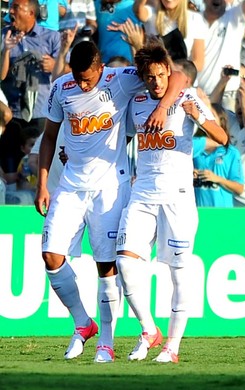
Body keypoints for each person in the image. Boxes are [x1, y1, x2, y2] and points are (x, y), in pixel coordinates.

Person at [34, 40, 185, 363]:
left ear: (101, 68)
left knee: (107, 267)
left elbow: (179, 78)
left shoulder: (121, 79)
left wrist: (161, 108)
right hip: (71, 185)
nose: (82, 84)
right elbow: (49, 136)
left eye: (87, 78)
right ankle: (82, 324)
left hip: (109, 187)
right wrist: (43, 183)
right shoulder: (62, 88)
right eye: (78, 77)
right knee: (50, 255)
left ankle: (106, 341)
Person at [117, 40, 226, 364]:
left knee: (179, 273)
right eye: (150, 77)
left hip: (178, 198)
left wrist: (199, 118)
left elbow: (222, 137)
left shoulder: (187, 98)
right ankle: (149, 330)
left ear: (168, 71)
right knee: (125, 262)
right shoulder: (135, 102)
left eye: (161, 75)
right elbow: (120, 138)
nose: (156, 82)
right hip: (143, 193)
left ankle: (173, 347)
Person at [0, 0, 60, 177]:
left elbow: (69, 72)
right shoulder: (3, 35)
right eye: (11, 6)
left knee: (39, 170)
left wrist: (55, 64)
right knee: (10, 174)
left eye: (16, 7)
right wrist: (6, 51)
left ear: (31, 13)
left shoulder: (52, 37)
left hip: (41, 114)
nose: (10, 11)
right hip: (12, 115)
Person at [193, 103, 244, 207]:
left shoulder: (231, 152)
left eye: (211, 115)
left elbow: (239, 188)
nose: (207, 118)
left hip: (222, 216)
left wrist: (217, 179)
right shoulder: (192, 147)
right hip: (197, 213)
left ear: (221, 121)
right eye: (204, 115)